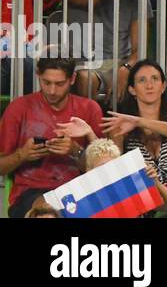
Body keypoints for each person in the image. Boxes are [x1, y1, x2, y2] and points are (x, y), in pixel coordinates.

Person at [0, 58, 103, 218]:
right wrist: (22, 154)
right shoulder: (18, 108)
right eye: (46, 82)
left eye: (59, 84)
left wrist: (75, 151)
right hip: (29, 194)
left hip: (79, 191)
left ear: (72, 79)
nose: (52, 91)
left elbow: (104, 170)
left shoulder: (89, 109)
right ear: (37, 75)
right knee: (46, 211)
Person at [101, 59, 167, 206]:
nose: (149, 85)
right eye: (142, 80)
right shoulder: (121, 122)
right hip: (142, 201)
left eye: (155, 79)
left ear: (163, 86)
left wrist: (139, 121)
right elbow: (111, 165)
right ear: (132, 89)